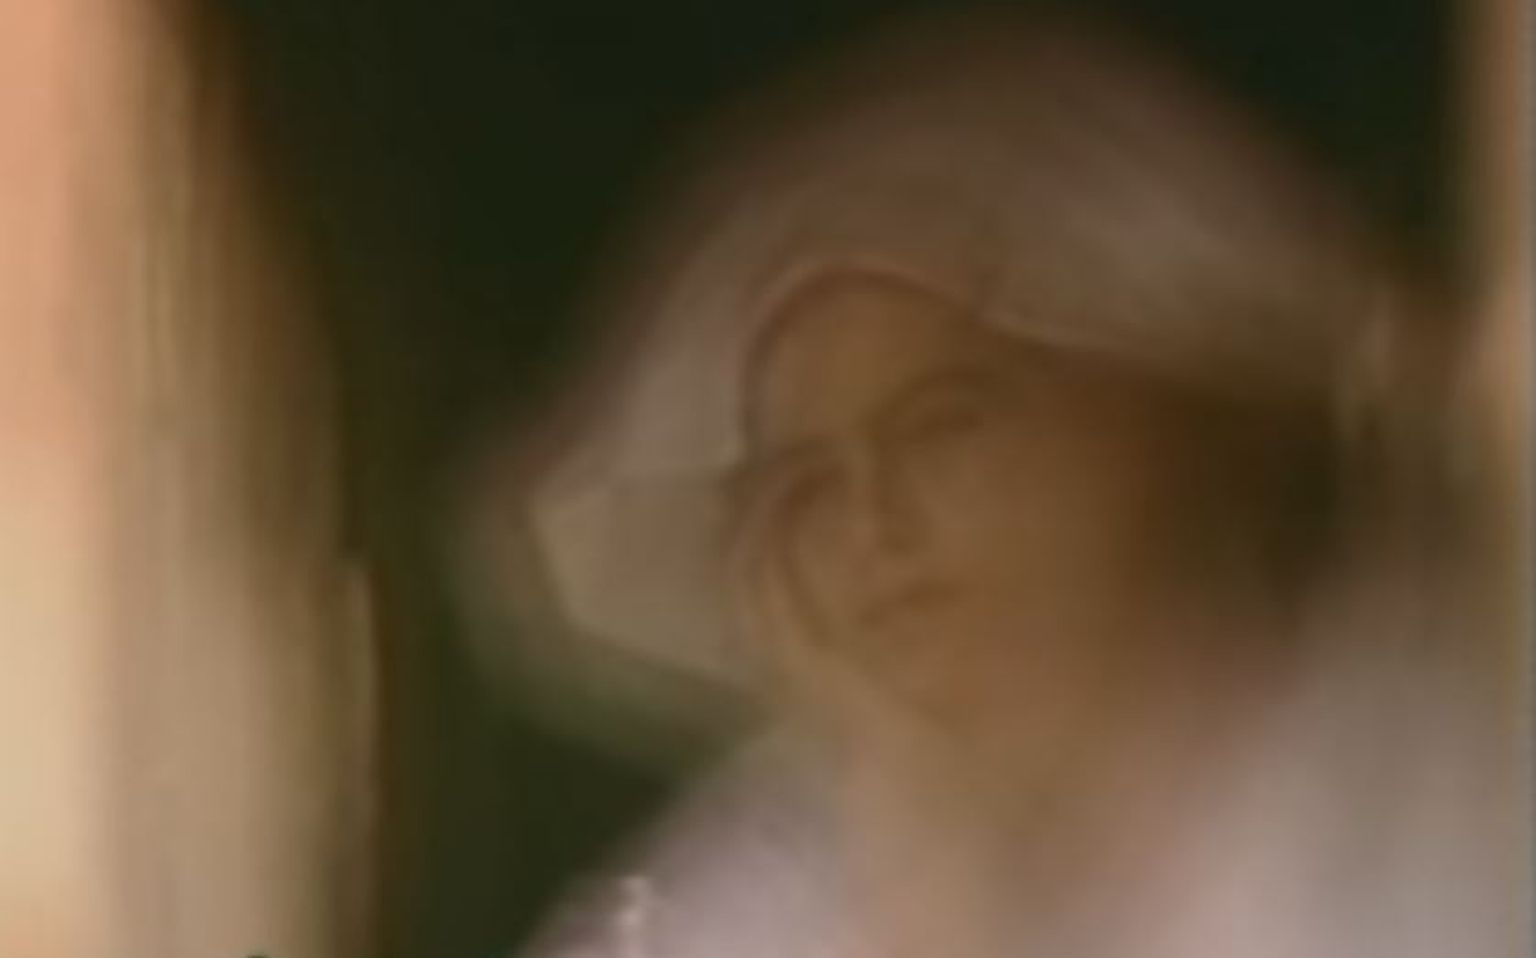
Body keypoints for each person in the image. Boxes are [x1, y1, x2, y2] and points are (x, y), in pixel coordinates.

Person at [478, 12, 1520, 958]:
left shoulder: (1423, 771)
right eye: (807, 478)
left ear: (1158, 421)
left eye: (945, 428)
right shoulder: (764, 880)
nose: (873, 521)